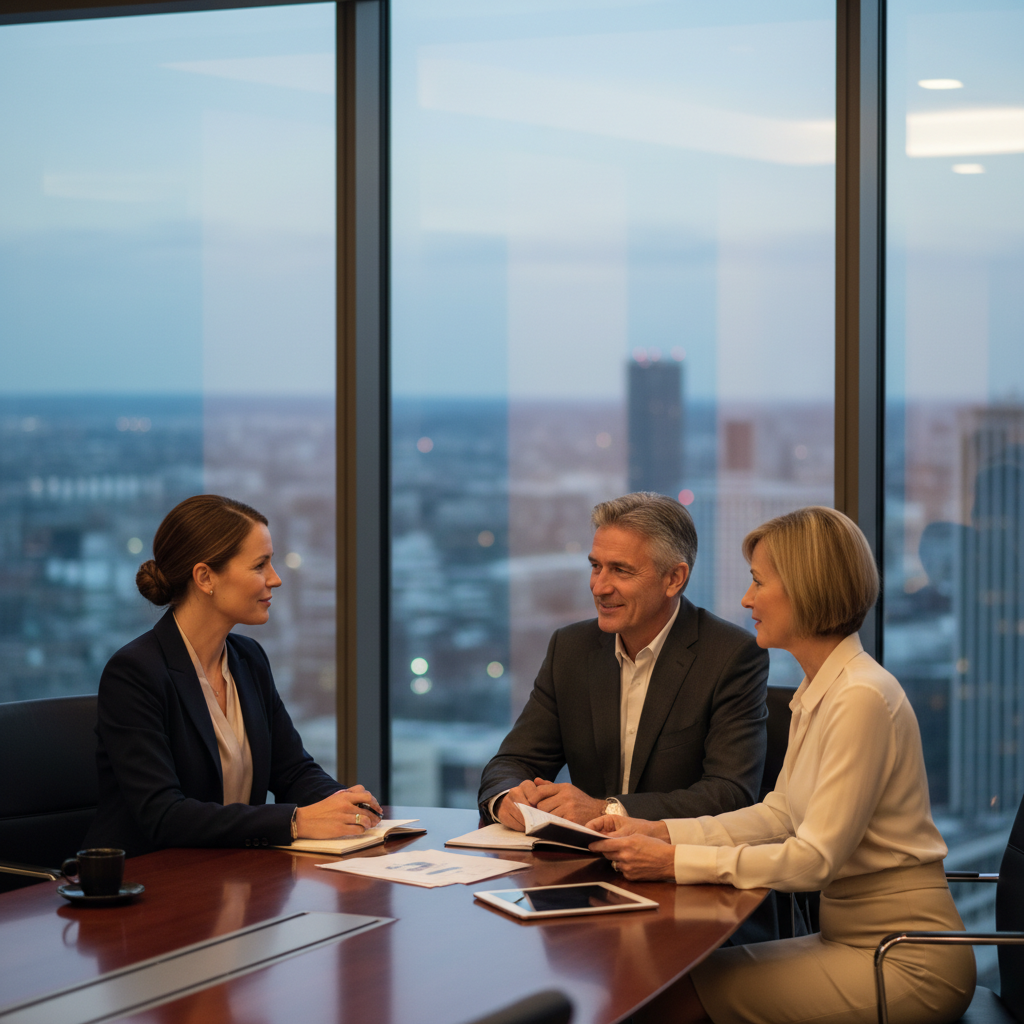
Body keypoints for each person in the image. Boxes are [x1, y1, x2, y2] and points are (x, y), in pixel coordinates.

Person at [588, 506, 976, 1024]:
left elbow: (815, 860)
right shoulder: (823, 690)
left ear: (805, 588)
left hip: (905, 960)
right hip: (854, 943)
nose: (746, 599)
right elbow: (779, 816)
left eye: (758, 581)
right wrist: (657, 831)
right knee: (664, 983)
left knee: (666, 999)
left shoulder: (860, 697)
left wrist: (673, 861)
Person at [86, 494, 382, 858]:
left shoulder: (249, 658)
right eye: (260, 566)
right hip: (148, 879)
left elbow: (292, 770)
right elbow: (164, 815)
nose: (275, 579)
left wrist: (345, 804)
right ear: (205, 577)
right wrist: (296, 821)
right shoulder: (135, 673)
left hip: (230, 873)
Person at [478, 491, 769, 831]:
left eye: (620, 570)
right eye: (596, 567)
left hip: (672, 857)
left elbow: (730, 793)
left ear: (674, 579)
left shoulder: (731, 655)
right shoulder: (571, 648)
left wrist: (608, 810)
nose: (599, 587)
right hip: (581, 856)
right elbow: (514, 761)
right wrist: (507, 798)